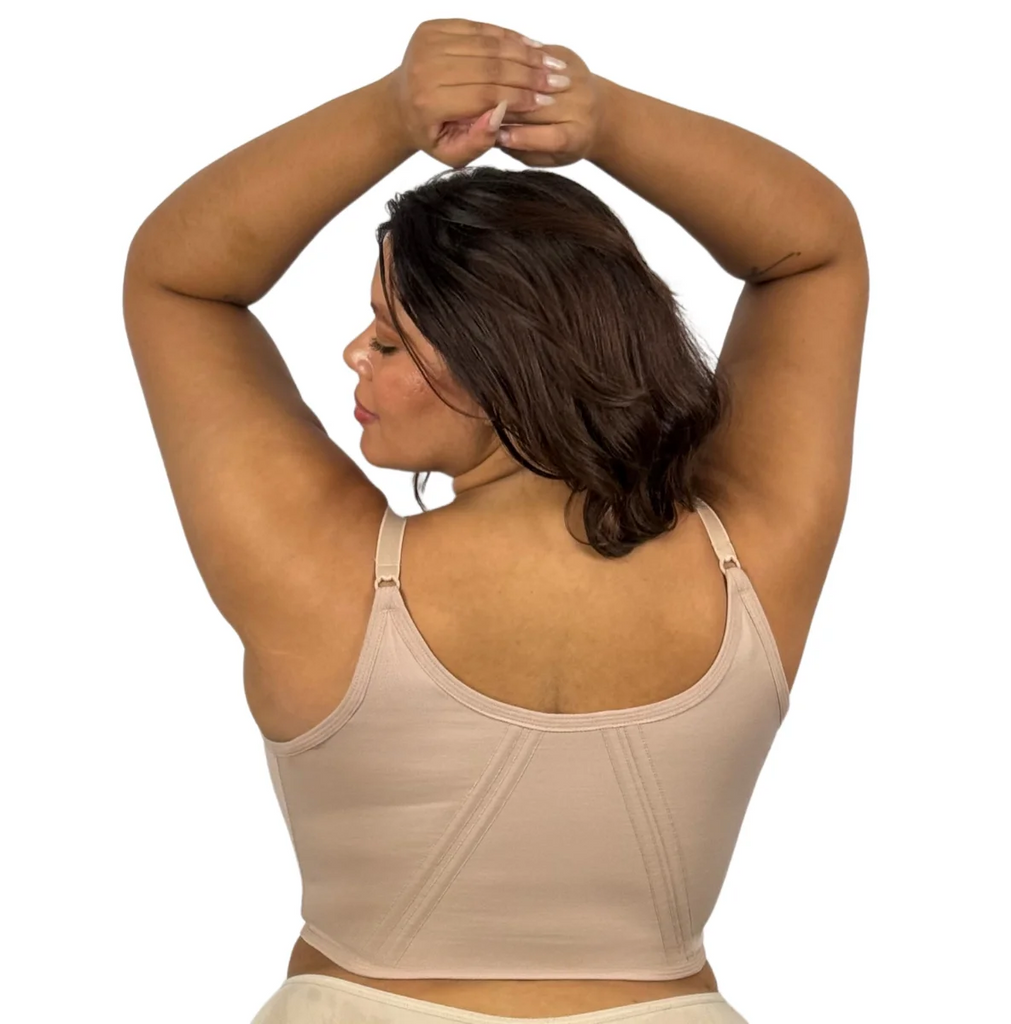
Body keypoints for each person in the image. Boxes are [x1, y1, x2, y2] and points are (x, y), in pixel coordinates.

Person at [122, 17, 869, 1024]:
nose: (355, 354)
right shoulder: (751, 559)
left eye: (390, 338)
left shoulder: (321, 575)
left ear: (500, 371)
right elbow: (813, 252)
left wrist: (389, 115)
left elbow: (179, 279)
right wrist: (604, 120)